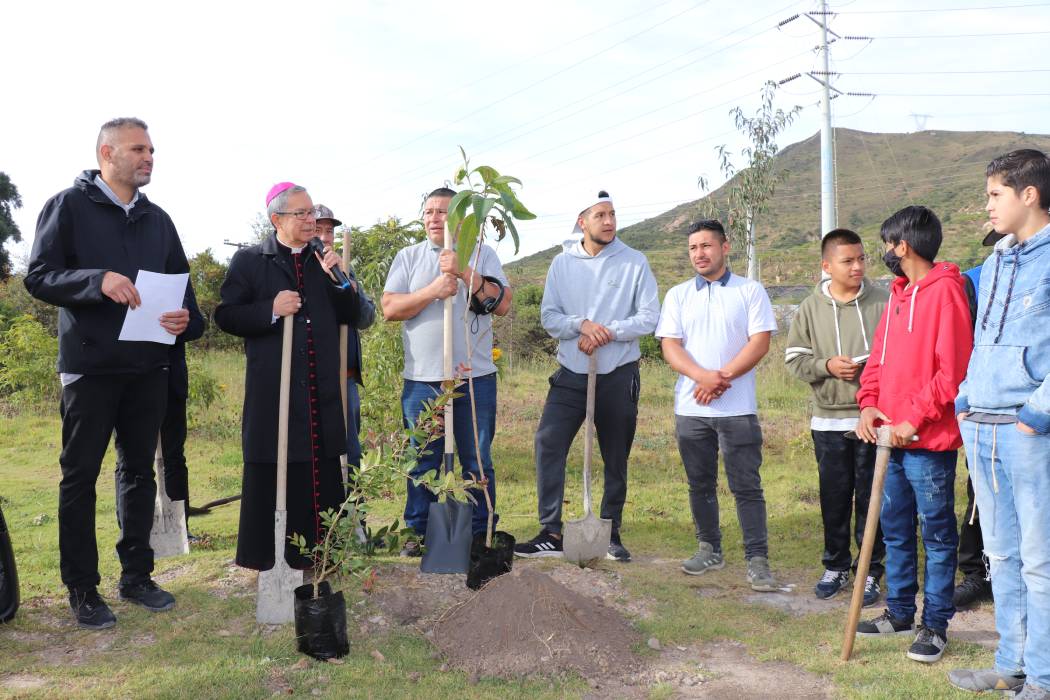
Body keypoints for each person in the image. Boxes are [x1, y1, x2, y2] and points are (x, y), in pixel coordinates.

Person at [24, 117, 196, 629]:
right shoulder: (67, 206)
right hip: (90, 368)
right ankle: (82, 588)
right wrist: (97, 280)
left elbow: (185, 296)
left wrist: (186, 321)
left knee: (139, 473)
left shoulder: (159, 220)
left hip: (149, 368)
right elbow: (39, 276)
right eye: (138, 149)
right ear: (107, 154)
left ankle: (137, 577)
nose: (149, 158)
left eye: (151, 150)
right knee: (79, 478)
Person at [215, 183, 362, 572]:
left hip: (320, 390)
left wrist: (340, 280)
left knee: (322, 467)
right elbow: (226, 315)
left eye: (312, 212)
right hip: (273, 390)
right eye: (302, 213)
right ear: (276, 219)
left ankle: (320, 556)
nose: (311, 220)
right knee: (274, 462)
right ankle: (270, 558)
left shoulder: (322, 260)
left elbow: (353, 315)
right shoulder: (250, 260)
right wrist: (271, 309)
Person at [949, 149, 1050, 698]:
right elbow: (982, 338)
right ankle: (1010, 664)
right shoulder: (993, 264)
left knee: (1040, 560)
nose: (987, 205)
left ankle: (1043, 676)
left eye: (995, 194)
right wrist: (966, 396)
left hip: (1028, 429)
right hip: (981, 423)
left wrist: (1039, 412)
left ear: (1028, 194)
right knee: (1001, 555)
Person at [854, 205, 972, 665]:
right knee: (895, 530)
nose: (885, 252)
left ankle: (934, 625)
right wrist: (868, 404)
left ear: (902, 246)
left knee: (937, 536)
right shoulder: (897, 296)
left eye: (888, 244)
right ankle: (900, 612)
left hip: (927, 444)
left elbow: (952, 372)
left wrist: (914, 420)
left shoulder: (947, 292)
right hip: (889, 439)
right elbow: (877, 362)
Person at [515, 191, 659, 563]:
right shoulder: (562, 264)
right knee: (548, 441)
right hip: (571, 373)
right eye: (600, 215)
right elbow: (550, 317)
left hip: (618, 373)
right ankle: (550, 532)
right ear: (582, 222)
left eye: (612, 214)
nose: (609, 221)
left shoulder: (634, 262)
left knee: (615, 454)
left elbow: (649, 317)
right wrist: (581, 325)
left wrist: (606, 331)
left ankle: (610, 532)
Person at [381, 187, 511, 553]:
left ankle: (480, 531)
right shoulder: (408, 257)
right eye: (429, 212)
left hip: (474, 377)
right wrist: (433, 290)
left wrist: (464, 270)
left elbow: (502, 304)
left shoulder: (483, 253)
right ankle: (418, 531)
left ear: (460, 218)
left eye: (443, 211)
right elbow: (390, 309)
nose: (435, 218)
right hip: (423, 379)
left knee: (477, 458)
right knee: (421, 459)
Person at [656, 219, 781, 590]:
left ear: (725, 247)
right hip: (691, 409)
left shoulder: (750, 291)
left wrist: (720, 378)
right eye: (693, 248)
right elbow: (670, 345)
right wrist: (701, 377)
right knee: (700, 483)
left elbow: (759, 342)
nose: (699, 254)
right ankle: (709, 548)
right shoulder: (678, 295)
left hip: (737, 409)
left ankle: (757, 559)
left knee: (747, 486)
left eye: (706, 246)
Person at [785, 228, 888, 606]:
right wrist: (826, 365)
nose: (857, 266)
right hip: (828, 421)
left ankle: (870, 570)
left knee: (872, 498)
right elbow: (794, 360)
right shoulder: (809, 308)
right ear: (827, 266)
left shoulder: (884, 302)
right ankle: (836, 565)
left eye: (861, 258)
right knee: (834, 497)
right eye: (848, 261)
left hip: (873, 418)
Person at [950, 227, 1005, 611]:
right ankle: (977, 573)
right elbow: (965, 346)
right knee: (981, 491)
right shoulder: (974, 281)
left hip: (1036, 407)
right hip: (987, 407)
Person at [314, 204, 376, 473]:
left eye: (329, 231)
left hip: (345, 379)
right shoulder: (300, 272)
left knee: (350, 453)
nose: (325, 237)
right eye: (318, 230)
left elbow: (366, 318)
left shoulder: (344, 270)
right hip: (312, 379)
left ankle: (351, 501)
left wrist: (349, 284)